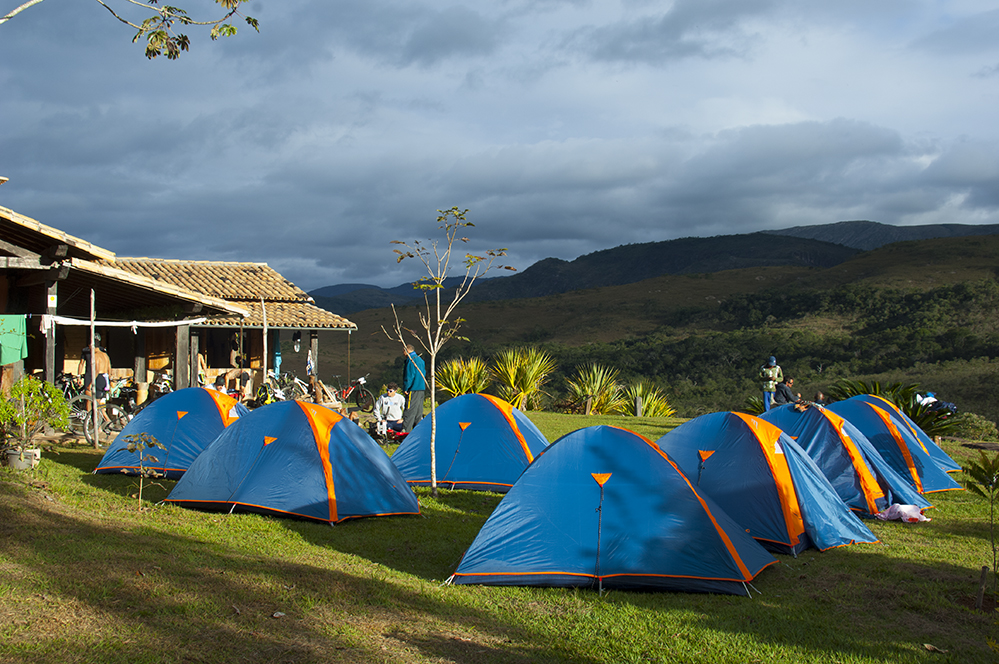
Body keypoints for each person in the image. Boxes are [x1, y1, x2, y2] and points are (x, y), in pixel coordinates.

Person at [77, 332, 112, 411]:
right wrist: (109, 380)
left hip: (94, 376)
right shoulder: (102, 353)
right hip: (100, 376)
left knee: (91, 399)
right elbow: (109, 367)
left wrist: (90, 384)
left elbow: (97, 370)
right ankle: (94, 419)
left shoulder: (97, 354)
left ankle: (93, 418)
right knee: (96, 401)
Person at [402, 344, 426, 432]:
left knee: (409, 411)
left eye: (403, 351)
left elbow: (409, 375)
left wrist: (406, 388)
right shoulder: (420, 360)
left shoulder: (411, 360)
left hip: (413, 388)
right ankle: (418, 433)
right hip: (421, 388)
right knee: (418, 413)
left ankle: (406, 432)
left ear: (406, 350)